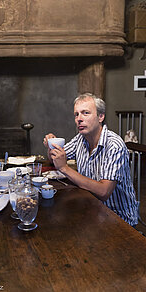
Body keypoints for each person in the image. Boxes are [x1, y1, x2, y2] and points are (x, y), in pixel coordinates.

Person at [43, 93, 139, 226]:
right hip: (91, 209)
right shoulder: (80, 139)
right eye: (76, 114)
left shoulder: (114, 145)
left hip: (118, 218)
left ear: (101, 117)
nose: (79, 119)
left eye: (85, 113)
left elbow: (104, 192)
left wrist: (64, 168)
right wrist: (51, 146)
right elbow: (56, 158)